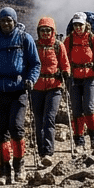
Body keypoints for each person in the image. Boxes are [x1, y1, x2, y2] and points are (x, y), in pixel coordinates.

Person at [0, 6, 40, 185]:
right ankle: (3, 171)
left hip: (19, 91)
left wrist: (31, 79)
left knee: (16, 128)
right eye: (3, 20)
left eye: (9, 20)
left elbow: (35, 64)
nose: (6, 23)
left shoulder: (24, 39)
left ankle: (19, 167)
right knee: (0, 133)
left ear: (14, 21)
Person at [30, 16, 69, 167]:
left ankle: (48, 152)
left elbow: (65, 64)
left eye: (48, 30)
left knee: (49, 118)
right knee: (38, 120)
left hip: (54, 87)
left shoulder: (58, 46)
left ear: (53, 31)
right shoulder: (34, 46)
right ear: (39, 31)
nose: (45, 33)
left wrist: (65, 73)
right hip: (37, 87)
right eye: (43, 30)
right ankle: (41, 152)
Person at [66, 11, 94, 152]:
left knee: (88, 107)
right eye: (76, 24)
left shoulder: (92, 39)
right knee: (76, 109)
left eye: (80, 25)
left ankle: (93, 136)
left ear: (85, 25)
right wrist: (66, 72)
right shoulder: (69, 40)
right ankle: (79, 140)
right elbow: (64, 58)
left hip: (90, 76)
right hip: (74, 78)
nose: (78, 27)